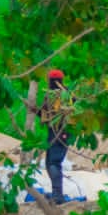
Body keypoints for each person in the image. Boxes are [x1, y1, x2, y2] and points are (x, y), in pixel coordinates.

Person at [39, 68, 72, 204]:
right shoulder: (68, 94)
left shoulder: (53, 95)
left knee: (53, 163)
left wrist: (35, 110)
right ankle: (56, 193)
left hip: (58, 133)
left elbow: (43, 114)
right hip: (62, 133)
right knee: (50, 163)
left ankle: (58, 196)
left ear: (50, 81)